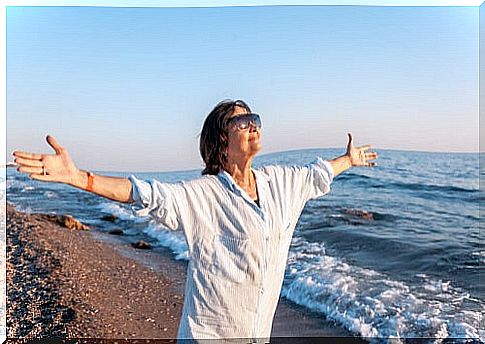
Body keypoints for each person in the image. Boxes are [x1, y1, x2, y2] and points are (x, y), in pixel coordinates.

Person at [13, 99, 378, 343]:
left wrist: (350, 160)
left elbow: (317, 173)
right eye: (243, 120)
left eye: (256, 119)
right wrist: (79, 178)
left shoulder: (281, 182)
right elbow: (146, 194)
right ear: (223, 136)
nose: (254, 125)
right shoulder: (202, 196)